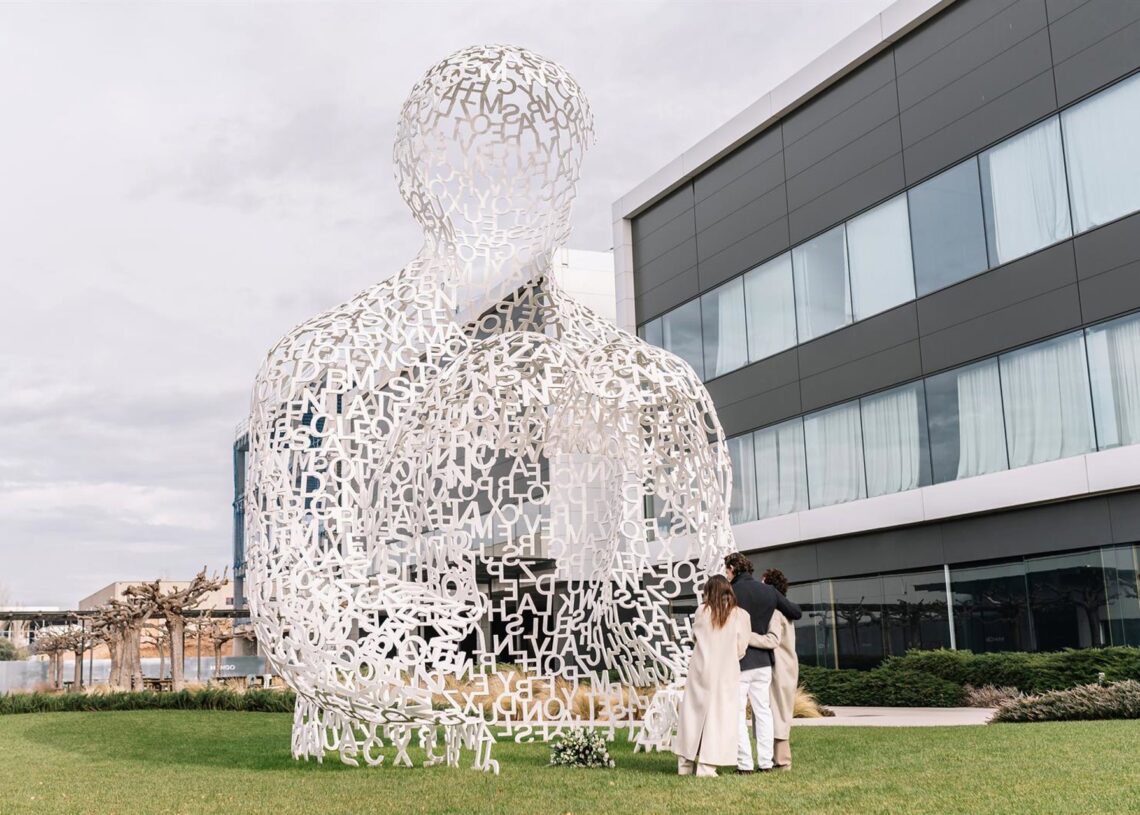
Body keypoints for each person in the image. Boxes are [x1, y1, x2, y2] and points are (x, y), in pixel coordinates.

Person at [724, 552, 801, 773]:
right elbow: (795, 612)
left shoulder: (730, 592)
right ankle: (766, 763)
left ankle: (745, 764)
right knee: (764, 712)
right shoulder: (768, 591)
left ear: (732, 568)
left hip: (739, 661)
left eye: (726, 570)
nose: (726, 574)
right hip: (764, 663)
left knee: (738, 713)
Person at [674, 575, 752, 777]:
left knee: (692, 716)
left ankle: (685, 764)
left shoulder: (702, 611)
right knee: (720, 718)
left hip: (700, 669)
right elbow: (741, 648)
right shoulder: (741, 615)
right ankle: (707, 766)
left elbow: (695, 636)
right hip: (726, 672)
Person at [748, 568, 798, 770]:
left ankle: (782, 761)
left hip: (778, 667)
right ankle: (779, 760)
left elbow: (772, 640)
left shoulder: (776, 613)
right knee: (779, 712)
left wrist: (746, 636)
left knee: (775, 712)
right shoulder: (787, 611)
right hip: (787, 667)